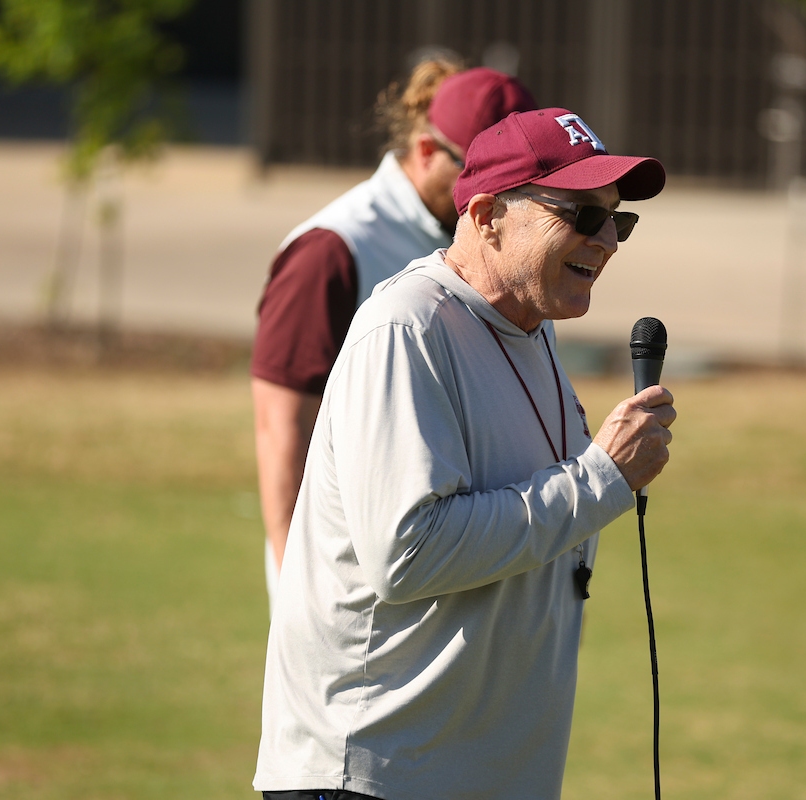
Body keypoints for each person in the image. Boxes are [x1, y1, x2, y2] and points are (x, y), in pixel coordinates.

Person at [253, 108, 672, 799]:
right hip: (376, 775)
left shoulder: (529, 327)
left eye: (615, 220)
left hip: (475, 774)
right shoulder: (407, 328)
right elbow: (408, 553)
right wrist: (600, 478)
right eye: (579, 214)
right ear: (486, 215)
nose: (607, 240)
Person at [250, 61, 536, 609]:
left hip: (456, 567)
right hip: (352, 594)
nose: (503, 194)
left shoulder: (478, 241)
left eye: (522, 180)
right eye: (483, 171)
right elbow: (281, 425)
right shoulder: (334, 249)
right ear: (427, 150)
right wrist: (299, 590)